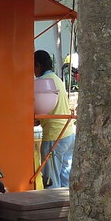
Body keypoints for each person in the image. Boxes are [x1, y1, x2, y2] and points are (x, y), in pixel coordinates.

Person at [34, 49, 75, 188]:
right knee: (64, 178)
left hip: (54, 134)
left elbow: (39, 107)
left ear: (38, 65)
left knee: (51, 180)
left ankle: (54, 208)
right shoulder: (56, 79)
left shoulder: (42, 81)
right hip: (68, 133)